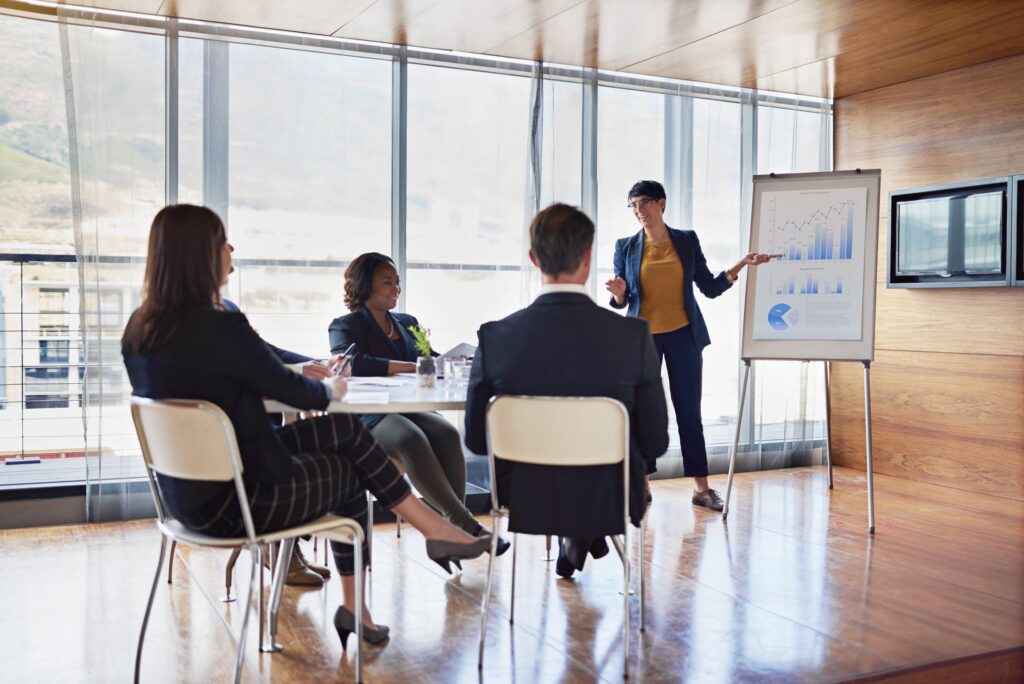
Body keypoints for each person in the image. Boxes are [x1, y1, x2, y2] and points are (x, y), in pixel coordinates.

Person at [122, 205, 491, 648]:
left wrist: (307, 370)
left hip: (184, 498)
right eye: (223, 242)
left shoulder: (141, 328)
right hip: (240, 500)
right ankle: (417, 547)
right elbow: (301, 395)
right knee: (353, 465)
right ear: (199, 255)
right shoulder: (220, 326)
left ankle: (400, 564)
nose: (231, 248)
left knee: (348, 435)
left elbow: (253, 361)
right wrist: (333, 386)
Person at [464, 203, 669, 579]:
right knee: (602, 469)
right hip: (610, 494)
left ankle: (577, 535)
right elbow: (655, 441)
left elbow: (477, 440)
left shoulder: (495, 338)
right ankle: (581, 532)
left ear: (533, 258)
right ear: (588, 259)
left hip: (526, 496)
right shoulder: (632, 336)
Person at [605, 180, 778, 511]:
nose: (639, 211)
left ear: (662, 203)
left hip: (684, 336)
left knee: (689, 412)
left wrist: (741, 264)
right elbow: (623, 297)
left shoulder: (685, 241)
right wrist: (617, 293)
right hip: (642, 340)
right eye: (633, 205)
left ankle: (701, 489)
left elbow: (710, 287)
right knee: (643, 412)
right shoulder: (625, 246)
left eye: (644, 203)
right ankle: (642, 486)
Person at [327, 253, 508, 561]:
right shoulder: (345, 325)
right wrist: (415, 366)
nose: (395, 288)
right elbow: (352, 363)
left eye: (397, 282)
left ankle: (450, 536)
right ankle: (462, 525)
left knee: (447, 432)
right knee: (411, 438)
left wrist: (451, 360)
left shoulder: (407, 323)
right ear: (364, 284)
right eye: (387, 282)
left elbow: (430, 358)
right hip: (371, 413)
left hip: (410, 406)